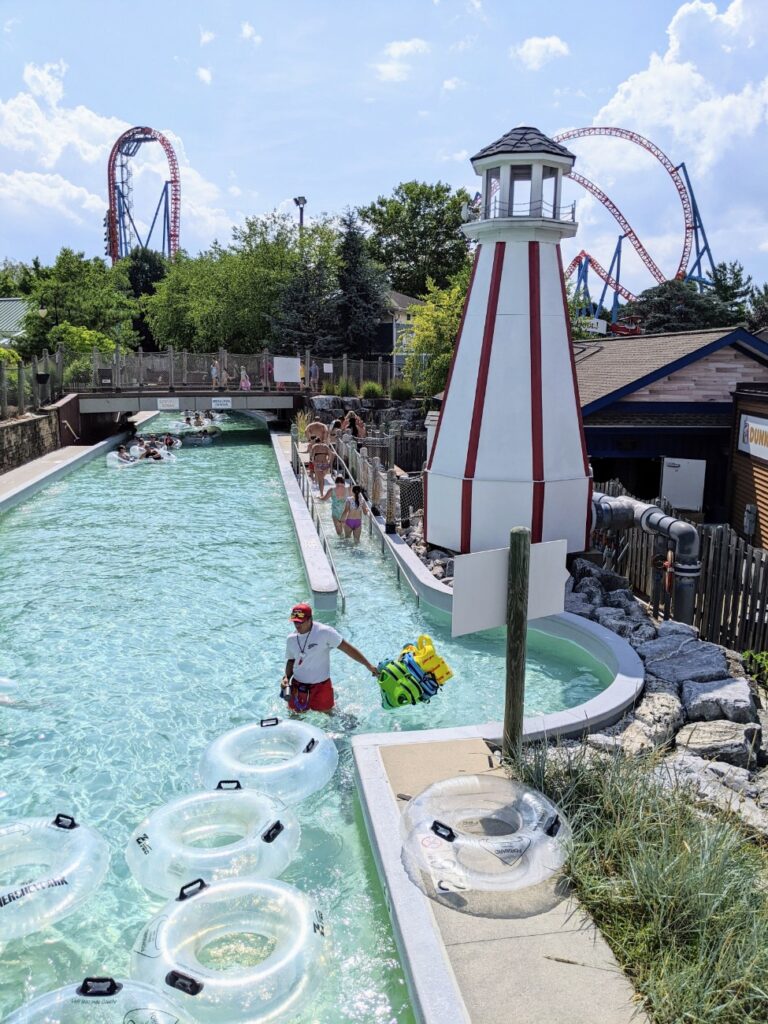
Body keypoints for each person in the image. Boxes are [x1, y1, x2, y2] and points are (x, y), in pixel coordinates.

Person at [282, 603, 377, 713]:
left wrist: (368, 665)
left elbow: (347, 649)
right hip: (298, 686)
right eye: (295, 622)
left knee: (329, 717)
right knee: (295, 718)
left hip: (321, 687)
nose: (297, 625)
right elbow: (291, 660)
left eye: (300, 622)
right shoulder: (291, 639)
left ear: (310, 619)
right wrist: (286, 677)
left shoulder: (325, 632)